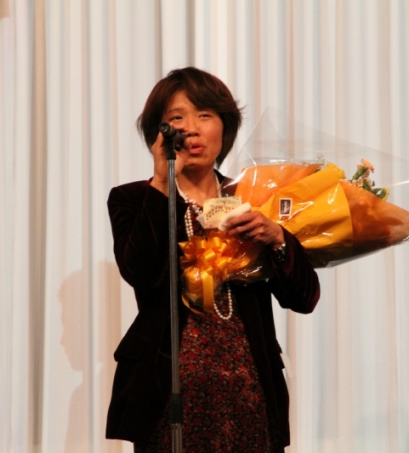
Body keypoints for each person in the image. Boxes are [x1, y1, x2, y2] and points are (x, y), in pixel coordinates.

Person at [105, 67, 321, 452]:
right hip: (169, 392)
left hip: (249, 387)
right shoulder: (135, 199)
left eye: (204, 115)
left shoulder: (255, 198)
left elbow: (303, 299)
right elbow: (140, 272)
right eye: (177, 118)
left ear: (225, 125)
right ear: (160, 133)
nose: (191, 128)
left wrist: (277, 238)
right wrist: (162, 182)